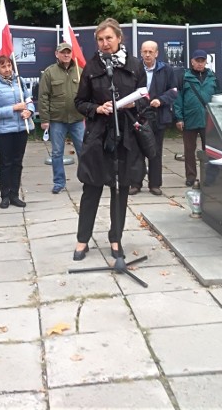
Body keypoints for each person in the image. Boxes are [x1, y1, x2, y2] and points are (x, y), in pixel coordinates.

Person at [72, 18, 147, 261]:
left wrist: (137, 103)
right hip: (98, 136)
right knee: (91, 188)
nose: (105, 43)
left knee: (121, 189)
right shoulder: (92, 67)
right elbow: (80, 102)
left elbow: (145, 97)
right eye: (100, 40)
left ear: (119, 39)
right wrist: (97, 109)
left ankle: (116, 239)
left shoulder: (135, 65)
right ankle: (82, 240)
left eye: (109, 38)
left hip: (125, 135)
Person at [130, 41, 176, 196]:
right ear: (141, 53)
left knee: (155, 151)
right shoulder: (135, 69)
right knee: (136, 151)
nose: (147, 54)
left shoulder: (166, 70)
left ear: (157, 53)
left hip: (158, 115)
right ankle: (135, 183)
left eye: (151, 52)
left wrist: (162, 100)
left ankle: (155, 184)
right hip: (139, 115)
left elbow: (174, 90)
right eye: (145, 51)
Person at [0, 55, 34, 208]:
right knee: (6, 163)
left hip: (21, 128)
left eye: (9, 65)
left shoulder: (19, 81)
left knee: (17, 162)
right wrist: (13, 108)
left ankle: (15, 194)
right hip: (3, 131)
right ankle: (5, 195)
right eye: (3, 66)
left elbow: (28, 100)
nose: (7, 69)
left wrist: (29, 112)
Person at [39, 42, 85, 194]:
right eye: (63, 52)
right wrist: (45, 119)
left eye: (68, 52)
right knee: (57, 152)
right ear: (56, 54)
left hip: (77, 119)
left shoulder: (80, 71)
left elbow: (86, 95)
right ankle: (59, 182)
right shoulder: (49, 72)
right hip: (57, 119)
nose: (66, 55)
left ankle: (86, 179)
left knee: (83, 150)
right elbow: (43, 97)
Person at [173, 49, 218, 188]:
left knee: (209, 151)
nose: (199, 63)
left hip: (208, 120)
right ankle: (190, 177)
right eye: (197, 61)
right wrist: (179, 118)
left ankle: (209, 177)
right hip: (189, 118)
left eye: (202, 61)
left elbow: (218, 98)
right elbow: (178, 99)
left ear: (206, 61)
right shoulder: (184, 77)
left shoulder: (213, 77)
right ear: (192, 61)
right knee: (189, 150)